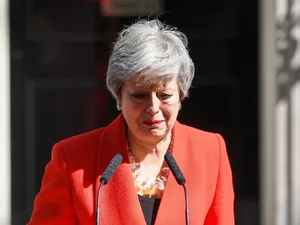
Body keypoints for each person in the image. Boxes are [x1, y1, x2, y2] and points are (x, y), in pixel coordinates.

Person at [27, 19, 234, 225]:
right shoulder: (72, 159)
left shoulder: (211, 152)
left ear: (181, 95)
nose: (153, 108)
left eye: (164, 95)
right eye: (139, 95)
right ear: (119, 96)